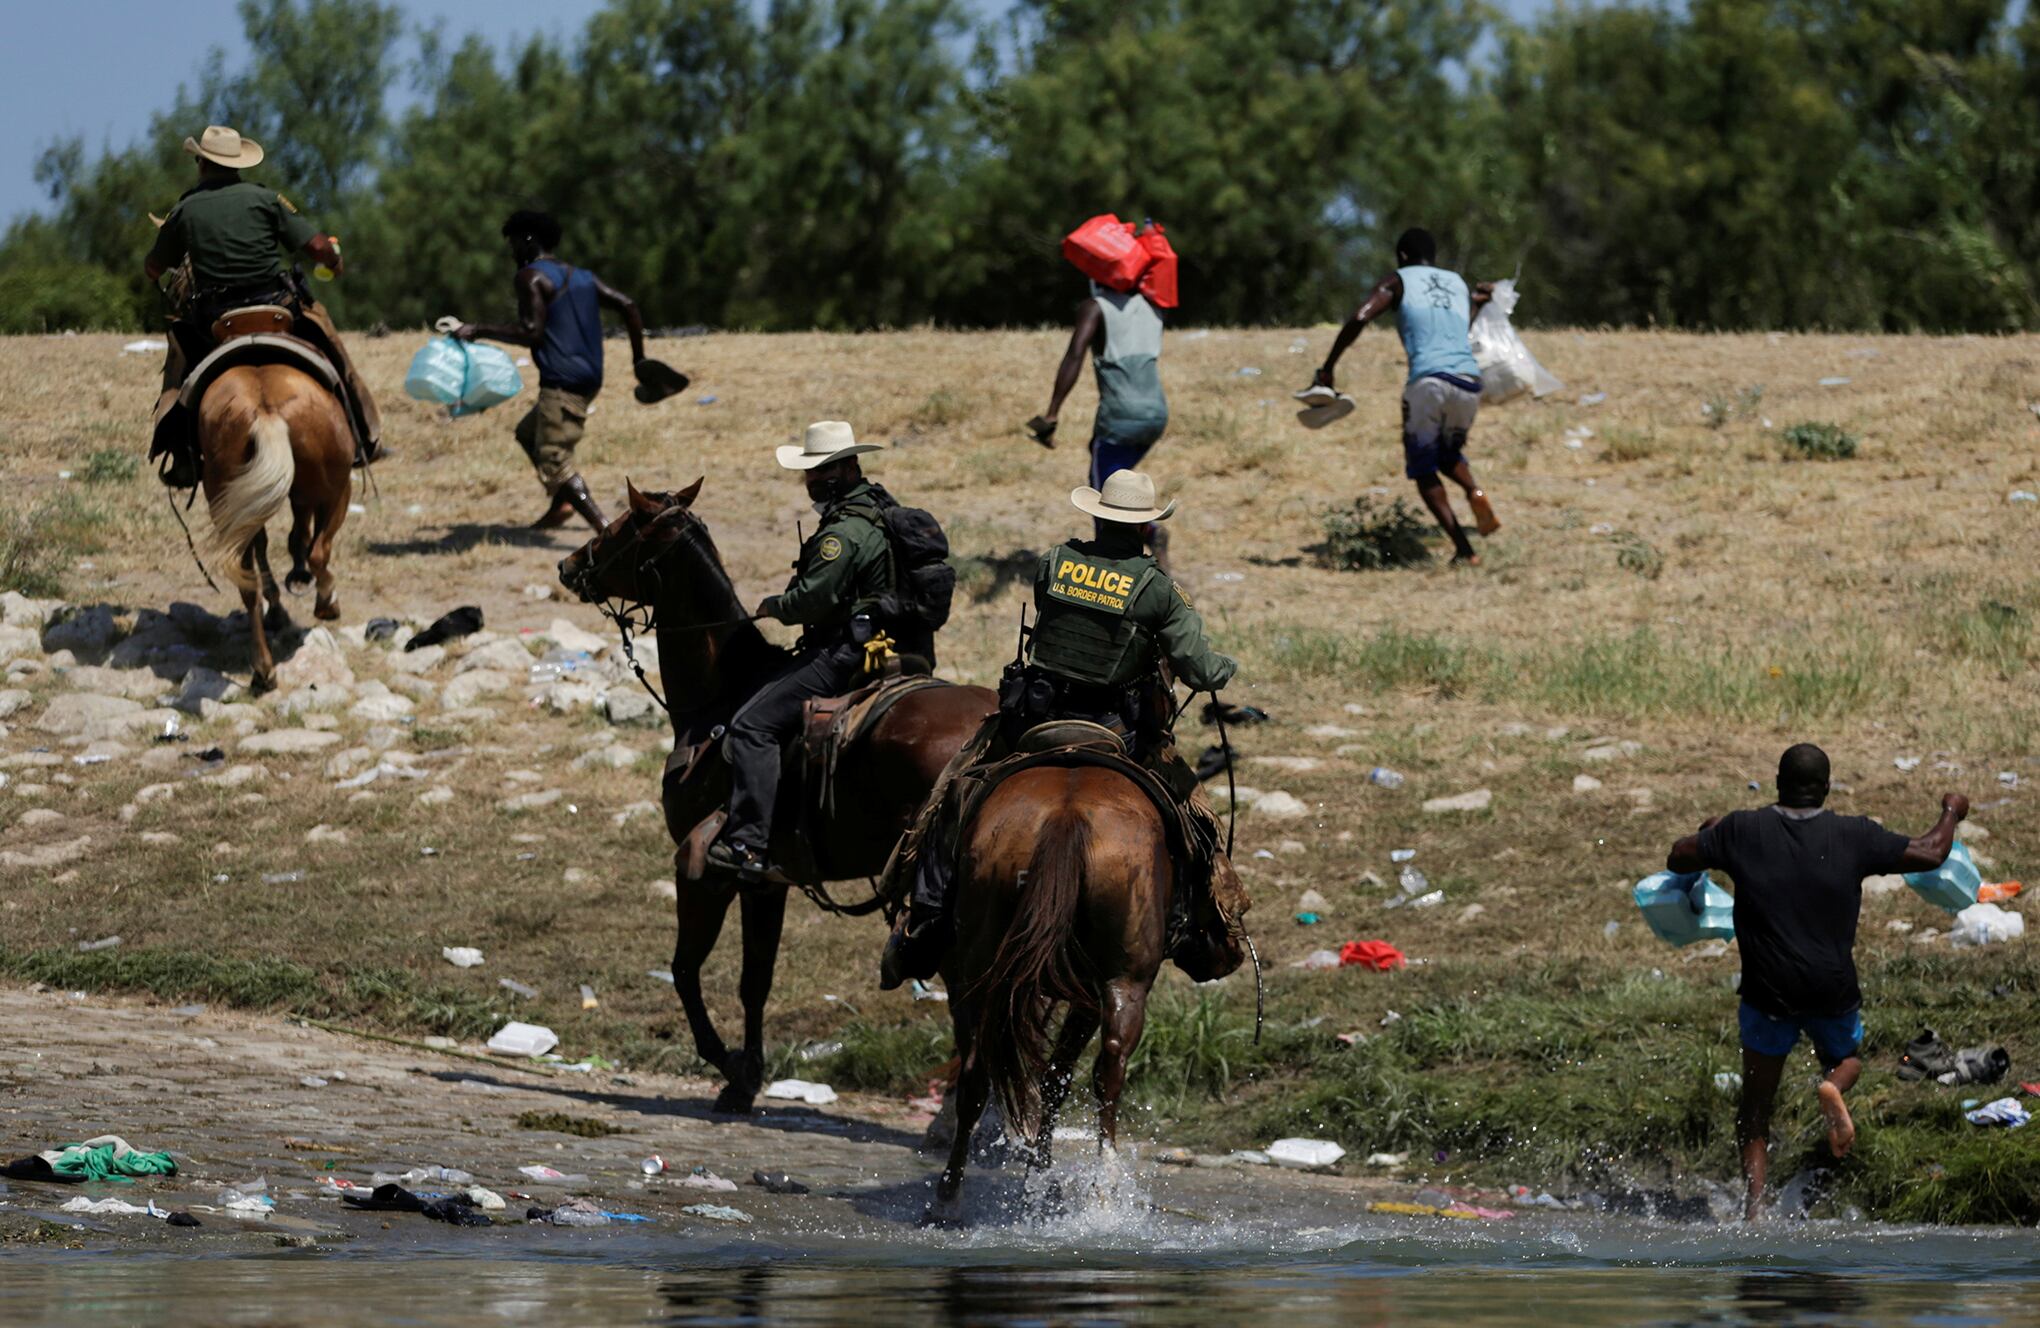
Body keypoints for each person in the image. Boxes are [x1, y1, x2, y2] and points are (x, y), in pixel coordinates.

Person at [880, 468, 1239, 988]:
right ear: (1144, 529)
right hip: (1117, 728)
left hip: (1035, 717)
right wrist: (1226, 668)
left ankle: (925, 919)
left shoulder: (1053, 563)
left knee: (951, 794)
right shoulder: (1158, 590)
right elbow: (1202, 671)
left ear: (1096, 516)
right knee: (1195, 816)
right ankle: (1202, 932)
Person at [1666, 743, 1969, 1220]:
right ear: (1826, 789)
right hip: (1831, 988)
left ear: (1778, 784)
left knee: (1755, 1109)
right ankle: (1832, 1086)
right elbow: (1932, 852)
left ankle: (1754, 1210)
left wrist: (1714, 837)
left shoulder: (1744, 829)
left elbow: (1679, 857)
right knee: (1847, 1059)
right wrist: (1952, 810)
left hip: (1768, 990)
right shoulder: (1853, 834)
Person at [705, 421, 908, 881]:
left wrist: (774, 606)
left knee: (751, 725)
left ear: (835, 474)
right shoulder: (877, 508)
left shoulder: (844, 533)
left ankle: (749, 845)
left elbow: (812, 601)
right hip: (883, 644)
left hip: (842, 654)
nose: (809, 483)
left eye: (813, 474)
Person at [144, 124, 383, 488]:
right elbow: (317, 247)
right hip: (276, 309)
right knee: (333, 348)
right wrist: (333, 259)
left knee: (179, 367)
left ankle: (180, 453)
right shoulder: (267, 199)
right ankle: (364, 435)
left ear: (201, 164)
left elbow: (153, 268)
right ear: (238, 164)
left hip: (215, 319)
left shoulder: (185, 209)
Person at [1296, 226, 1500, 564]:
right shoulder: (1457, 283)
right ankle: (1474, 491)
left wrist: (1329, 366)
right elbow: (1459, 328)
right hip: (1468, 381)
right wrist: (1476, 303)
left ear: (1403, 256)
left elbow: (1361, 316)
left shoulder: (1399, 279)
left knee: (1422, 467)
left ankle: (1465, 550)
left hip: (1429, 382)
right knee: (1448, 455)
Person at [455, 210, 647, 531]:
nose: (513, 252)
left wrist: (477, 330)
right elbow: (628, 305)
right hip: (590, 379)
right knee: (527, 433)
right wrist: (639, 360)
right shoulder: (582, 276)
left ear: (528, 240)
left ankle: (608, 531)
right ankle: (563, 503)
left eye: (514, 243)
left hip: (561, 381)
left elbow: (532, 331)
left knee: (554, 457)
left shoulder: (529, 277)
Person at [1028, 244, 1171, 562]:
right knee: (1116, 480)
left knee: (1103, 493)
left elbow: (1075, 353)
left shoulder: (1096, 306)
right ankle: (1145, 541)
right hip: (1156, 414)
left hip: (1121, 414)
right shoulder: (1152, 306)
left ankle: (1116, 562)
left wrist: (1052, 413)